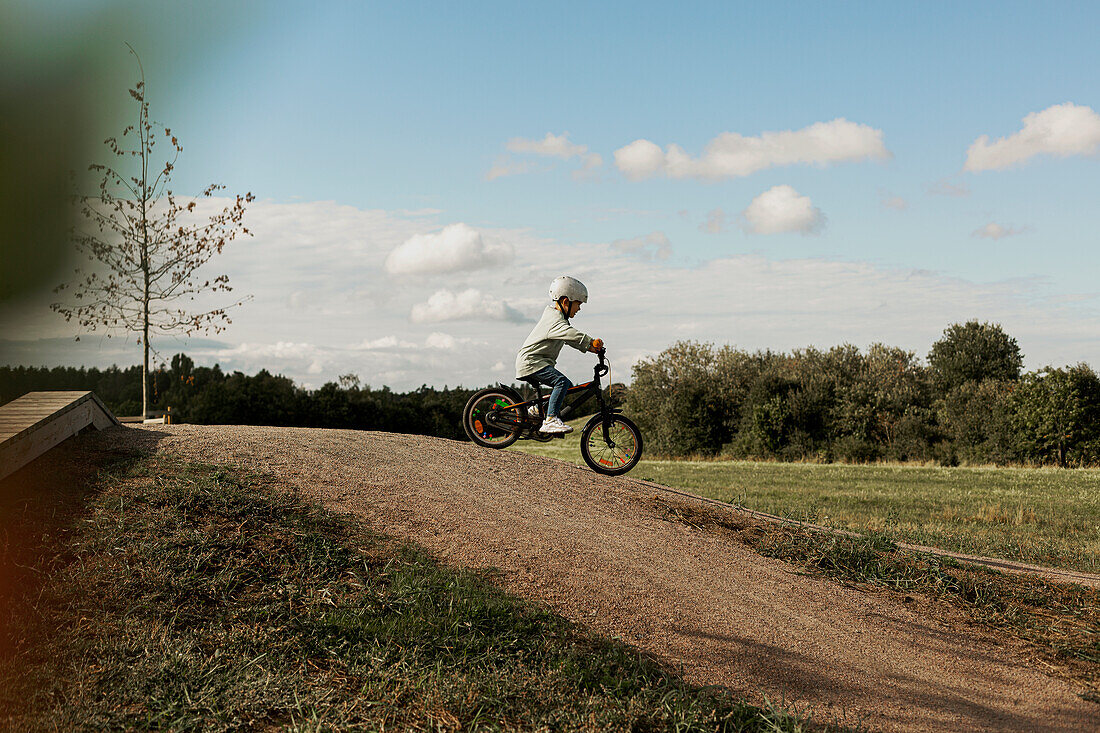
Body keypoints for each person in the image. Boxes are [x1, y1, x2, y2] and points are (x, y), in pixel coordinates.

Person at [515, 275, 604, 434]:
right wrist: (591, 341)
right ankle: (550, 419)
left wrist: (592, 349)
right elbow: (571, 334)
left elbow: (570, 340)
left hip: (534, 362)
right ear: (565, 302)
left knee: (566, 387)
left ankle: (537, 410)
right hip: (531, 363)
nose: (579, 308)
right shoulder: (555, 321)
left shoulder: (558, 321)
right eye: (578, 304)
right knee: (561, 382)